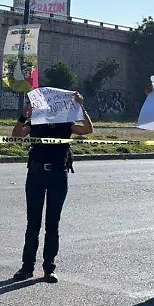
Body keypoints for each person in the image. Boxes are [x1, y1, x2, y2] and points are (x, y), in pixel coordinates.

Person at [11, 92, 94, 282]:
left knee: (52, 224)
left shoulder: (66, 123)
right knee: (33, 223)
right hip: (36, 174)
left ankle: (49, 267)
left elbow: (88, 130)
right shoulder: (37, 121)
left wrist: (81, 106)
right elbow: (16, 135)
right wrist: (25, 116)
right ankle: (27, 267)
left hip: (58, 174)